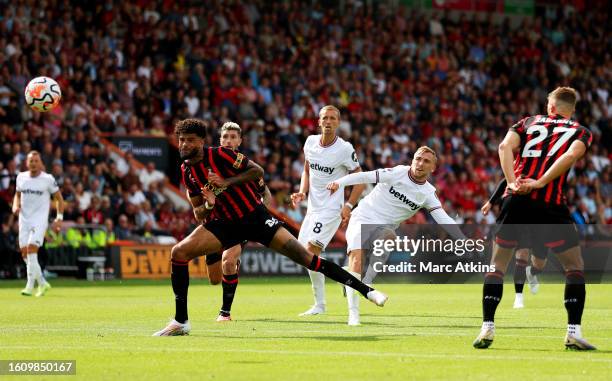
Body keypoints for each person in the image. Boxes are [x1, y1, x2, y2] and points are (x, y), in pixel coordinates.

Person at [153, 119, 387, 336]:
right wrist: (208, 202)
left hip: (256, 218)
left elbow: (257, 171)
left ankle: (365, 290)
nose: (184, 144)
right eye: (181, 139)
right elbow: (198, 212)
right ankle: (181, 321)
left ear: (202, 142)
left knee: (308, 258)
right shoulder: (187, 171)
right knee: (179, 253)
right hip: (224, 224)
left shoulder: (221, 155)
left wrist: (226, 183)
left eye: (190, 139)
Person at [473, 87, 596, 350]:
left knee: (497, 265)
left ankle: (487, 327)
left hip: (515, 200)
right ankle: (573, 332)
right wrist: (540, 182)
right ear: (570, 110)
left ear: (549, 107)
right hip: (550, 204)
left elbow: (504, 146)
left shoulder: (528, 122)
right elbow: (571, 155)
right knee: (574, 267)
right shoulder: (581, 131)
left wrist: (512, 183)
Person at [327, 146, 463, 325]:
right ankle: (354, 314)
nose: (420, 163)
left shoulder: (428, 193)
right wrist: (340, 182)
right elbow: (366, 176)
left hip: (385, 228)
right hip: (364, 216)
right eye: (417, 158)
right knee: (357, 261)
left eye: (426, 161)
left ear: (433, 168)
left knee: (389, 238)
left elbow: (444, 219)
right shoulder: (398, 173)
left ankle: (360, 282)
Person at [290, 105, 365, 317]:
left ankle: (334, 291)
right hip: (312, 209)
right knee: (305, 256)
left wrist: (349, 205)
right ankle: (322, 301)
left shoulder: (344, 149)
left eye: (333, 118)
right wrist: (302, 192)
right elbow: (307, 169)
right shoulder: (310, 142)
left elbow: (360, 180)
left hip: (331, 209)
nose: (328, 121)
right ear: (319, 121)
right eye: (325, 118)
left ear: (338, 123)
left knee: (311, 252)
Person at [198, 121, 273, 321]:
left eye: (233, 137)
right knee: (214, 279)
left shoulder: (246, 167)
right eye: (225, 137)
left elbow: (265, 192)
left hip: (241, 222)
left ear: (240, 141)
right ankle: (229, 269)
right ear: (219, 140)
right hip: (215, 224)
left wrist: (261, 209)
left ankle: (225, 313)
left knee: (228, 261)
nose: (229, 141)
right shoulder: (208, 163)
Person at [481, 179, 547, 308]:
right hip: (512, 214)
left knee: (539, 264)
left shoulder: (543, 170)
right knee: (521, 255)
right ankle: (519, 297)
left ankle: (532, 272)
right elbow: (505, 181)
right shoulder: (519, 165)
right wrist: (490, 202)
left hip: (534, 217)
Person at [13, 151, 64, 297]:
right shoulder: (21, 177)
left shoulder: (47, 179)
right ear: (26, 163)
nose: (33, 163)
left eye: (36, 161)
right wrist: (15, 206)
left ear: (41, 163)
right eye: (31, 161)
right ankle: (41, 282)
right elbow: (17, 195)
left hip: (39, 220)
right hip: (24, 219)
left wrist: (59, 217)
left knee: (31, 248)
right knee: (24, 253)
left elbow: (59, 199)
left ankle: (29, 286)